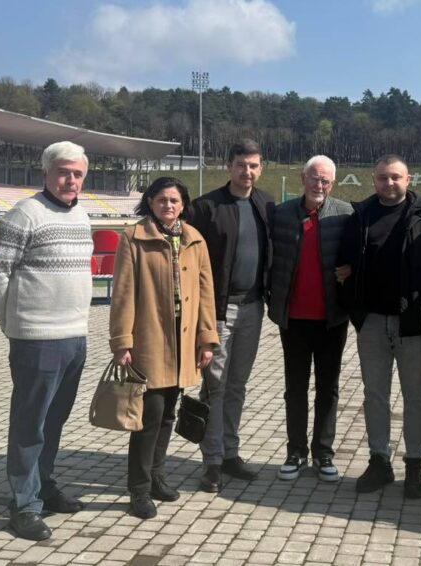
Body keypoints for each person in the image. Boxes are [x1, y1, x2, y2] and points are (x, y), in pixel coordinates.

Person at [0, 141, 93, 541]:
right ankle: (23, 504)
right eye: (64, 171)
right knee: (29, 424)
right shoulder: (24, 214)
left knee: (54, 421)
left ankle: (43, 486)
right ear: (46, 172)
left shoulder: (81, 215)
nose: (71, 180)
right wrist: (13, 324)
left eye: (78, 173)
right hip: (36, 338)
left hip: (75, 335)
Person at [336, 154, 421, 498]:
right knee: (375, 395)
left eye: (396, 177)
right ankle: (379, 461)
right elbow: (343, 262)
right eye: (383, 178)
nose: (390, 183)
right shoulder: (361, 215)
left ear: (409, 178)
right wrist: (352, 302)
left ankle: (414, 463)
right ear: (374, 180)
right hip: (371, 321)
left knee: (416, 396)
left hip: (414, 321)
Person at [109, 177, 219, 518]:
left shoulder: (194, 240)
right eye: (161, 199)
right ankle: (138, 489)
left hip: (184, 338)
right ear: (151, 202)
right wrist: (122, 341)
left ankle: (157, 476)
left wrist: (207, 339)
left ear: (183, 204)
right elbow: (124, 295)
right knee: (149, 415)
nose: (168, 205)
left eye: (174, 200)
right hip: (151, 338)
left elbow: (205, 295)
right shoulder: (134, 238)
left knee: (170, 412)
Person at [188, 139, 274, 493]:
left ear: (260, 167)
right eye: (241, 164)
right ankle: (212, 461)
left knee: (237, 386)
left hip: (254, 307)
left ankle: (231, 453)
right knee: (215, 386)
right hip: (219, 311)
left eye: (253, 165)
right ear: (229, 166)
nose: (247, 171)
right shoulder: (206, 207)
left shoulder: (266, 204)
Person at [267, 155, 353, 482]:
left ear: (333, 184)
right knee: (295, 388)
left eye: (326, 181)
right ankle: (296, 451)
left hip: (332, 319)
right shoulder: (281, 215)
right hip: (294, 318)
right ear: (303, 178)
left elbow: (358, 253)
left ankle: (323, 453)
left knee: (328, 389)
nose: (319, 185)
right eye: (315, 178)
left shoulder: (345, 213)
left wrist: (352, 269)